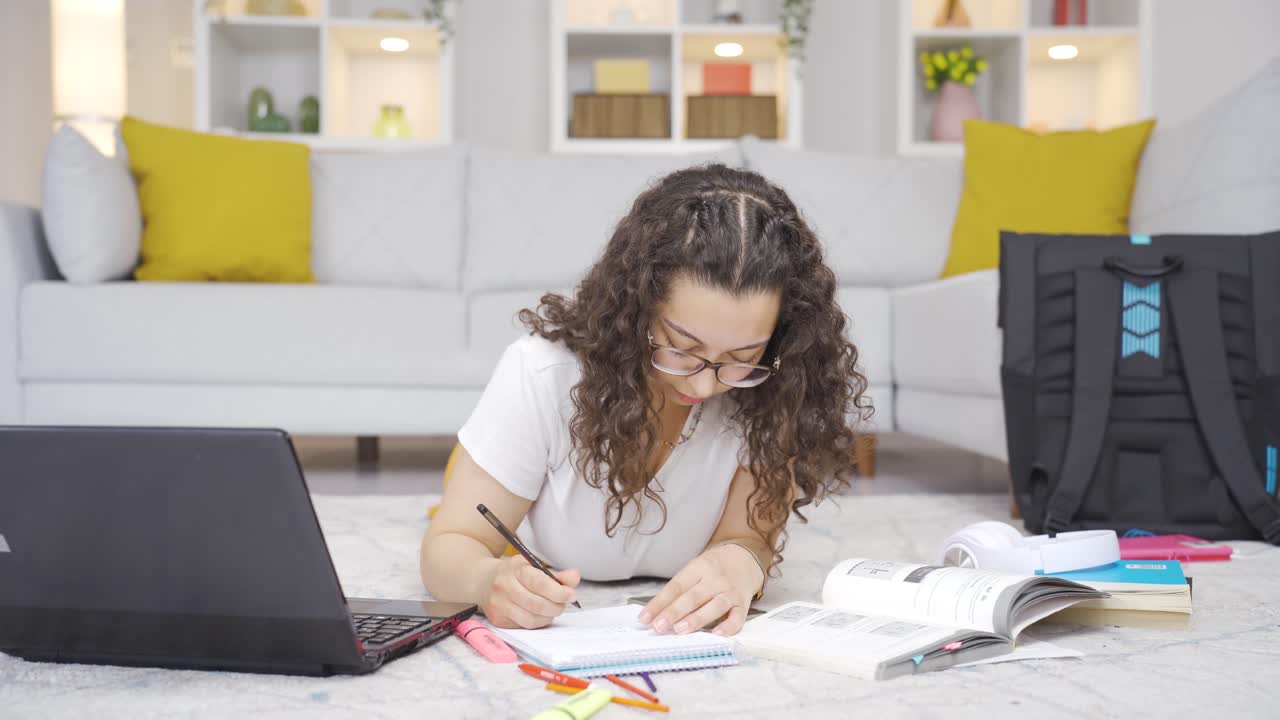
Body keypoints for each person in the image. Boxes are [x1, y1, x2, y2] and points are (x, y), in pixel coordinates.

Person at [420, 164, 868, 636]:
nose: (703, 386)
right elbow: (451, 545)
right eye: (682, 348)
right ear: (638, 307)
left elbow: (750, 536)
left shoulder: (775, 389)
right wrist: (486, 579)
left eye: (743, 356)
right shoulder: (543, 375)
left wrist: (740, 564)